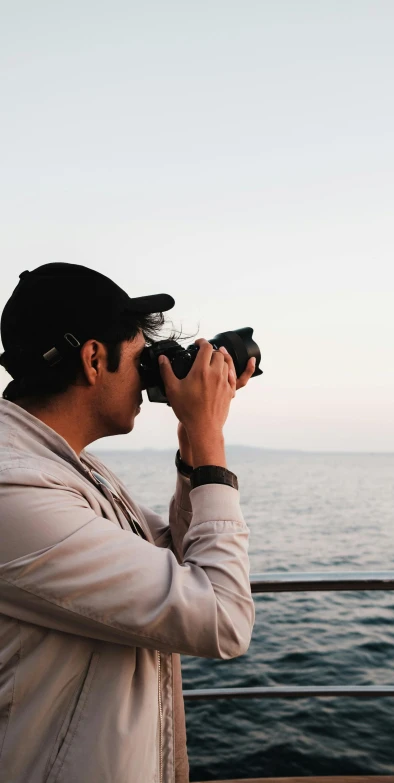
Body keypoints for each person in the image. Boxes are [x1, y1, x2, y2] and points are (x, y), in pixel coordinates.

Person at [0, 262, 257, 783]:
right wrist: (210, 438)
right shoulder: (16, 488)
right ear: (94, 359)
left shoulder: (70, 467)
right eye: (142, 359)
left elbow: (177, 561)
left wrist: (192, 438)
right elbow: (223, 618)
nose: (148, 375)